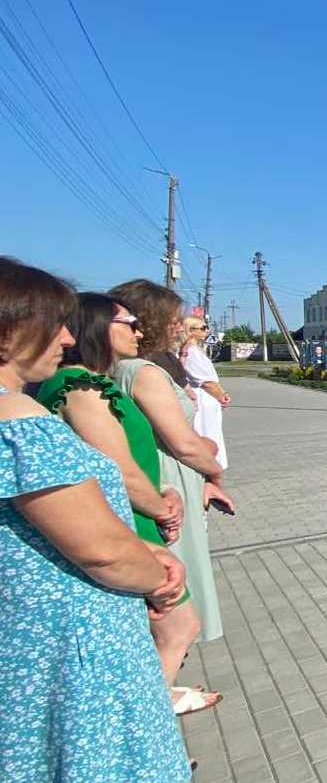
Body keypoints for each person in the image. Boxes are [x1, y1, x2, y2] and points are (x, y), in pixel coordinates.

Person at [0, 257, 191, 781]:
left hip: (31, 638)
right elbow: (101, 551)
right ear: (9, 330)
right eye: (53, 324)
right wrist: (159, 574)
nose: (66, 337)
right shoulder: (17, 420)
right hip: (77, 644)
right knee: (101, 758)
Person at [40, 295, 222, 715]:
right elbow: (117, 468)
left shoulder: (97, 382)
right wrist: (161, 505)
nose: (137, 331)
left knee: (159, 625)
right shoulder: (82, 388)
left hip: (139, 508)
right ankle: (145, 718)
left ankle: (148, 705)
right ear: (96, 326)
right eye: (128, 322)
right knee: (179, 624)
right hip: (129, 518)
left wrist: (166, 490)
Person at [111, 280, 231, 648]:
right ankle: (167, 663)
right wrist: (214, 470)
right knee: (177, 578)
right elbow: (183, 444)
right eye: (173, 319)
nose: (179, 326)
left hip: (162, 475)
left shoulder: (121, 368)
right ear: (149, 320)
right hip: (169, 479)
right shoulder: (143, 372)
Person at [182, 316, 230, 470]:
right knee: (207, 432)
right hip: (202, 398)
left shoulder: (196, 350)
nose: (207, 330)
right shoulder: (190, 351)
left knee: (212, 431)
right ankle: (209, 465)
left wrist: (222, 393)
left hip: (208, 398)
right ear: (191, 331)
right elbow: (205, 381)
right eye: (203, 328)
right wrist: (221, 397)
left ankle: (212, 464)